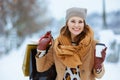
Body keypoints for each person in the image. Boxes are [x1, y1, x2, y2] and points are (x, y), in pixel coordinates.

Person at [35, 7, 107, 80]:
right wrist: (41, 48)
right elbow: (41, 68)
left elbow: (99, 76)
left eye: (80, 22)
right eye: (73, 21)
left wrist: (98, 66)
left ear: (84, 24)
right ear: (67, 23)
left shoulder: (93, 44)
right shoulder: (57, 44)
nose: (76, 25)